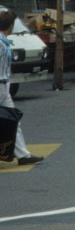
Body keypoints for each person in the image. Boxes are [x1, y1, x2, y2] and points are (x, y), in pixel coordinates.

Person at [0, 10, 42, 166]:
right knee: (11, 120)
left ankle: (23, 155)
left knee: (13, 120)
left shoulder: (4, 41)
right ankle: (22, 155)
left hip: (4, 87)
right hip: (0, 86)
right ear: (10, 26)